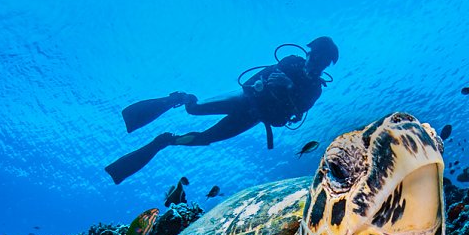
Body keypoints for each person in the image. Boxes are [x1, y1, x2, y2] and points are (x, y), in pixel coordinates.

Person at [105, 37, 339, 184]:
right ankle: (179, 99)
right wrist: (266, 83)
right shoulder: (291, 61)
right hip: (244, 98)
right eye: (312, 54)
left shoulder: (315, 89)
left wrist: (288, 87)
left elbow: (292, 116)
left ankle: (166, 141)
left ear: (326, 64)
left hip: (254, 117)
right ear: (308, 52)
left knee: (207, 138)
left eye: (320, 59)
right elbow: (255, 79)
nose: (313, 60)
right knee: (194, 109)